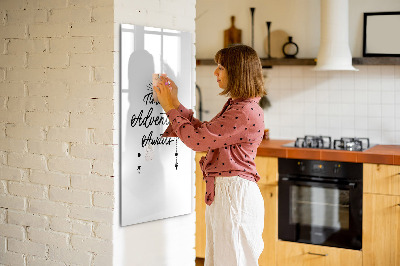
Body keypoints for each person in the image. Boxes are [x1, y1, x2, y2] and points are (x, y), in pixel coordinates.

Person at [154, 44, 266, 266]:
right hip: (229, 194)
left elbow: (197, 141)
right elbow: (204, 133)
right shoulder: (239, 106)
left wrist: (169, 108)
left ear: (237, 72)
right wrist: (175, 103)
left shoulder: (243, 111)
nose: (215, 72)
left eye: (221, 67)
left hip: (234, 196)